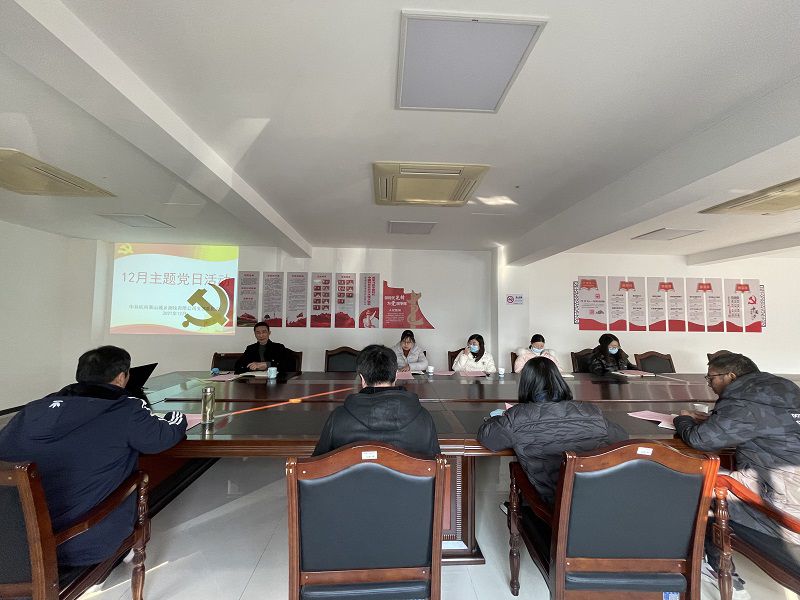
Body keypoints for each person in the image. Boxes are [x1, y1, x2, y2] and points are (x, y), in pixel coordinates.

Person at [0, 346, 187, 567]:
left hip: (16, 546)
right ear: (121, 377)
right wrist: (178, 416)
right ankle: (114, 556)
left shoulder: (32, 410)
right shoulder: (125, 410)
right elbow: (161, 438)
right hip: (84, 544)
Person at [674, 352, 800, 593]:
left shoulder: (742, 399)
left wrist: (683, 421)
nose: (710, 384)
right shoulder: (785, 387)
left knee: (696, 483)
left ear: (730, 376)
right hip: (790, 479)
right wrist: (716, 419)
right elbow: (767, 423)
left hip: (781, 494)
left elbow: (701, 440)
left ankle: (713, 567)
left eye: (711, 378)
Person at [478, 357, 627, 506]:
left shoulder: (517, 416)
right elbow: (622, 437)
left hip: (554, 505)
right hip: (599, 500)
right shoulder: (591, 411)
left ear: (525, 384)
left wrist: (499, 418)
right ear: (558, 380)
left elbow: (488, 438)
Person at [312, 344, 440, 458]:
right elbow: (436, 464)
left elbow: (317, 465)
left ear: (362, 379)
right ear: (396, 376)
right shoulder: (423, 418)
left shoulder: (339, 418)